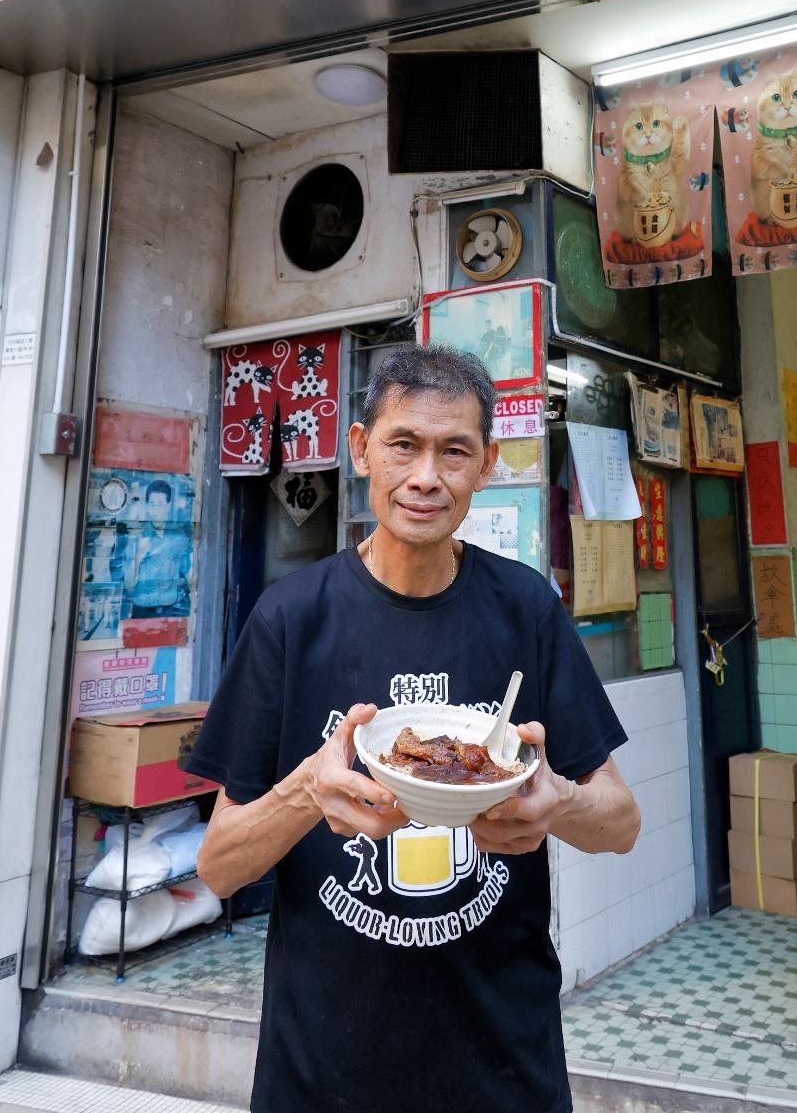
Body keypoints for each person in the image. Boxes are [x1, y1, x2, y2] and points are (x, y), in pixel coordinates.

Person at [186, 343, 639, 1113]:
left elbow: (622, 822)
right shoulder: (290, 619)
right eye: (404, 444)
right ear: (362, 450)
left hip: (501, 1064)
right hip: (323, 1069)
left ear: (488, 463)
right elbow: (218, 867)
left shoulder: (525, 608)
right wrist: (306, 792)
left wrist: (555, 802)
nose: (427, 476)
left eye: (454, 450)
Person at [124, 479, 193, 617]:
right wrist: (139, 555)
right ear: (147, 506)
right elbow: (128, 585)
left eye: (160, 505)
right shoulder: (138, 536)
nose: (156, 510)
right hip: (141, 612)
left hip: (168, 612)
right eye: (152, 504)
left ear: (167, 506)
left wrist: (195, 597)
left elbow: (189, 574)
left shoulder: (178, 536)